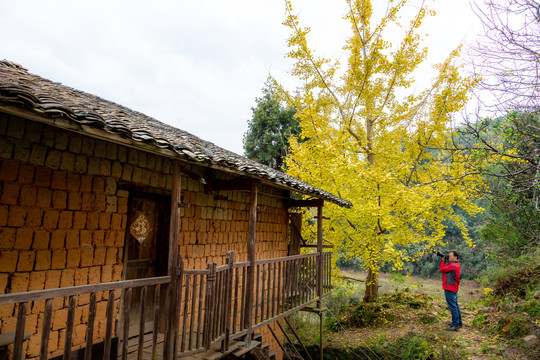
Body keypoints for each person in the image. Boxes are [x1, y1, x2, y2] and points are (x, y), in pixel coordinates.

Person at [440, 251, 462, 331]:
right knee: (455, 305)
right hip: (453, 287)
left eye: (450, 256)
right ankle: (458, 323)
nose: (448, 257)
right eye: (448, 256)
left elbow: (442, 270)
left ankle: (455, 325)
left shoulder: (452, 265)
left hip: (449, 287)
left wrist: (443, 261)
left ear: (455, 257)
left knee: (452, 307)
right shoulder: (456, 265)